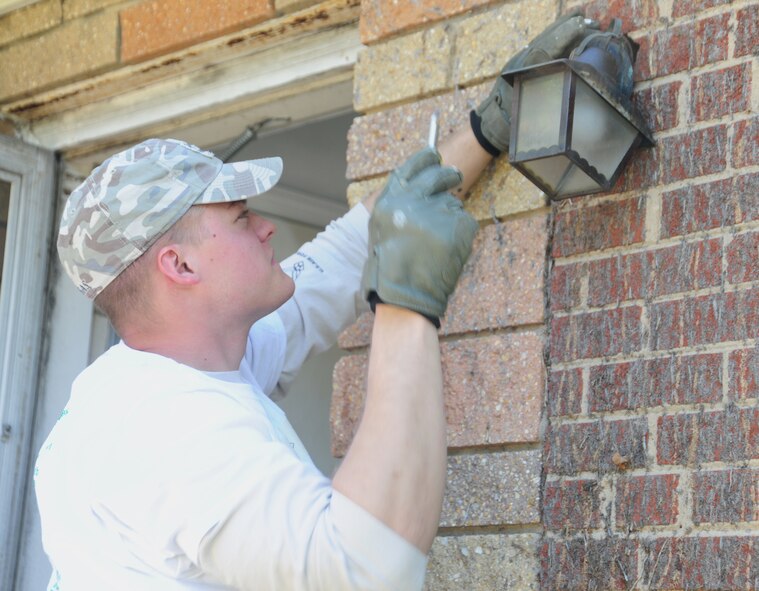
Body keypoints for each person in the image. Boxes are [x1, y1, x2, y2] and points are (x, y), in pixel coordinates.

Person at [35, 13, 598, 590]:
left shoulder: (179, 363)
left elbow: (343, 256)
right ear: (179, 266)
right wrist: (408, 304)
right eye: (239, 217)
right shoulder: (164, 433)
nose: (266, 227)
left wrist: (485, 131)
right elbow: (363, 569)